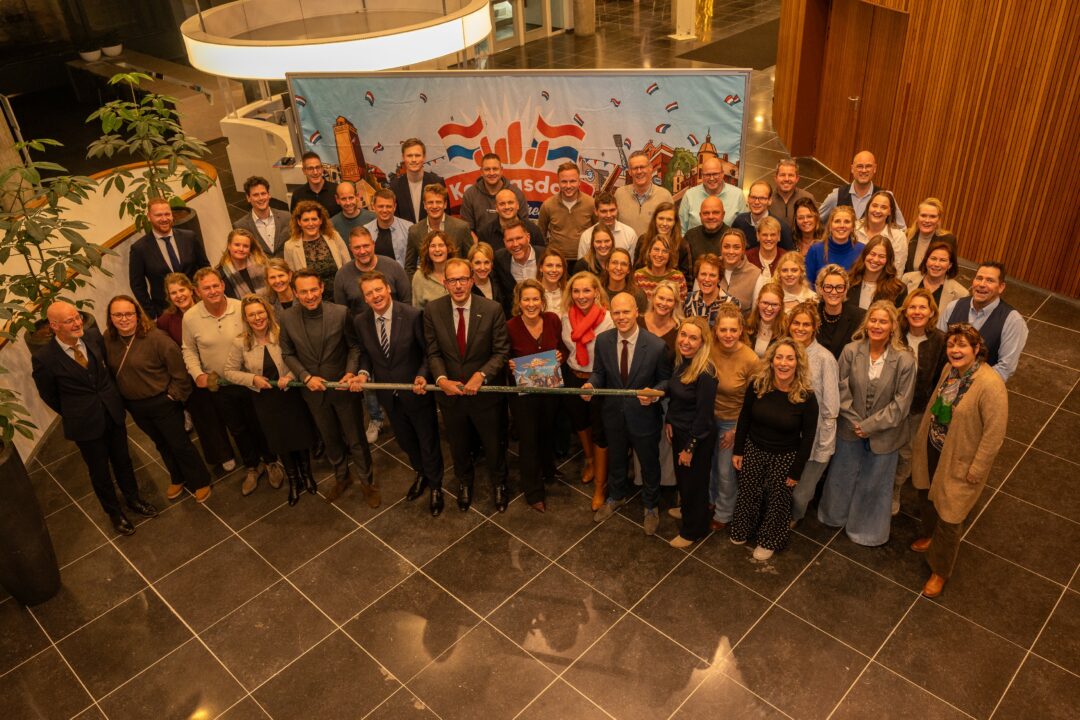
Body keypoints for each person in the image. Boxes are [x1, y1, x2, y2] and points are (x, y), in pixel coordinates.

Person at [32, 301, 158, 535]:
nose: (78, 322)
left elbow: (106, 370)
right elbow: (49, 395)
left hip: (112, 412)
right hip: (85, 424)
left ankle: (133, 499)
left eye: (77, 317)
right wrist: (77, 411)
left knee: (123, 460)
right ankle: (115, 513)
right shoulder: (44, 358)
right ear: (54, 326)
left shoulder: (92, 337)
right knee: (99, 471)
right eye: (70, 320)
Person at [910, 324, 1008, 598]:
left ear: (977, 349)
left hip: (960, 460)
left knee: (951, 516)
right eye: (952, 345)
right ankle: (930, 537)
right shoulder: (949, 371)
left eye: (962, 345)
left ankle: (940, 570)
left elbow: (994, 434)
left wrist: (977, 468)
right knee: (927, 496)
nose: (955, 350)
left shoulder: (990, 385)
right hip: (934, 448)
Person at [818, 301, 916, 546]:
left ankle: (867, 530)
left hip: (886, 435)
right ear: (866, 323)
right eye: (873, 320)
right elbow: (839, 389)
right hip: (850, 430)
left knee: (875, 484)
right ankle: (834, 516)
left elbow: (901, 405)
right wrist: (855, 422)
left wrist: (869, 426)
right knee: (842, 475)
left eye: (883, 321)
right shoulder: (851, 351)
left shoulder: (905, 361)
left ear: (893, 326)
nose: (877, 325)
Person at [279, 270, 378, 507]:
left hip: (343, 389)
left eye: (314, 289)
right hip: (313, 392)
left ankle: (367, 482)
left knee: (356, 439)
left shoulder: (341, 313)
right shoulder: (286, 318)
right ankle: (342, 477)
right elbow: (287, 353)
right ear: (295, 293)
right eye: (303, 291)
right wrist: (305, 377)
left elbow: (354, 347)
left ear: (322, 288)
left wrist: (350, 372)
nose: (310, 295)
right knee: (330, 438)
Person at [350, 271, 445, 515]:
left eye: (378, 290)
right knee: (405, 441)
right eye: (369, 293)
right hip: (388, 396)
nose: (375, 296)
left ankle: (435, 485)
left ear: (388, 289)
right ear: (365, 298)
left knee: (427, 440)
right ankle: (421, 473)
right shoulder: (361, 321)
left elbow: (428, 352)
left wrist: (423, 374)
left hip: (416, 391)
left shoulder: (412, 315)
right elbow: (365, 355)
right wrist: (362, 372)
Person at [423, 258, 511, 512]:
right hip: (451, 396)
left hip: (485, 396)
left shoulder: (492, 309)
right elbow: (433, 352)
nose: (459, 285)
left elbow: (501, 352)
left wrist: (481, 375)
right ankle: (464, 482)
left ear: (472, 280)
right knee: (458, 444)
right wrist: (441, 380)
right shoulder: (433, 310)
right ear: (444, 282)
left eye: (463, 279)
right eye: (453, 280)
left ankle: (499, 483)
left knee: (494, 444)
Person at [103, 295, 210, 503]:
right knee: (160, 443)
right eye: (117, 315)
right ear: (110, 317)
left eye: (128, 314)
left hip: (163, 402)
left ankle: (200, 480)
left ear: (137, 314)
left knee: (179, 444)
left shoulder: (156, 338)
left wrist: (173, 396)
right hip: (136, 406)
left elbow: (179, 371)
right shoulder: (108, 339)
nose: (123, 319)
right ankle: (177, 477)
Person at [183, 268, 278, 495]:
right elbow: (188, 350)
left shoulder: (240, 308)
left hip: (249, 379)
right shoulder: (191, 317)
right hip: (221, 386)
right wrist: (197, 374)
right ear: (197, 291)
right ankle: (252, 467)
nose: (213, 291)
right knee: (237, 428)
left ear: (223, 285)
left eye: (216, 285)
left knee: (258, 423)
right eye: (206, 288)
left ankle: (272, 462)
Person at [586, 292, 673, 535]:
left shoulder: (656, 346)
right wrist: (591, 385)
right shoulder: (603, 340)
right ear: (610, 314)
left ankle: (650, 505)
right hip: (613, 414)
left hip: (644, 418)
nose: (621, 317)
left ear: (637, 312)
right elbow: (599, 372)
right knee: (616, 458)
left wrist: (655, 392)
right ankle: (616, 496)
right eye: (616, 313)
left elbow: (666, 381)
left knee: (648, 463)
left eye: (626, 311)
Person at [729, 338, 819, 559]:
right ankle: (743, 529)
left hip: (785, 455)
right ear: (771, 360)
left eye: (790, 358)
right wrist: (738, 450)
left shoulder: (806, 396)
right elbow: (744, 418)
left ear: (798, 363)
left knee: (778, 499)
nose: (783, 363)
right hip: (754, 447)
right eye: (779, 357)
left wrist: (796, 471)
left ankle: (769, 540)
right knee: (748, 492)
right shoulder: (758, 385)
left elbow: (808, 437)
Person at [224, 295, 318, 506]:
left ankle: (307, 476)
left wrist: (291, 377)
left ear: (267, 312)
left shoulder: (282, 333)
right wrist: (253, 379)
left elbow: (300, 357)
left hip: (291, 396)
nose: (257, 318)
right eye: (252, 315)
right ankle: (294, 482)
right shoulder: (241, 342)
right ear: (246, 319)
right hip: (265, 401)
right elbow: (229, 371)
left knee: (300, 437)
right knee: (280, 441)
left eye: (260, 312)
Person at [157, 273, 236, 472]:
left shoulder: (207, 306)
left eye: (181, 290)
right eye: (173, 293)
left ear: (192, 290)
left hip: (219, 370)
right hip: (194, 377)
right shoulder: (166, 320)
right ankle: (223, 454)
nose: (179, 295)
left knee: (231, 413)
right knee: (206, 419)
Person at [506, 279, 568, 511]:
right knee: (529, 440)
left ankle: (548, 470)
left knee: (546, 432)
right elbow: (502, 356)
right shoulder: (510, 326)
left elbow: (562, 346)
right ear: (519, 302)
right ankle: (533, 492)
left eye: (535, 299)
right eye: (526, 299)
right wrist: (509, 364)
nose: (531, 304)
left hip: (550, 391)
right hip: (524, 396)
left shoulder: (552, 320)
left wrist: (560, 355)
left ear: (542, 302)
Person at [560, 271, 614, 508]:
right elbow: (563, 348)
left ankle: (600, 486)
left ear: (596, 292)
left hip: (599, 380)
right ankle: (590, 461)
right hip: (573, 376)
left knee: (601, 432)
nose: (581, 296)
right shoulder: (564, 318)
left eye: (586, 290)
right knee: (580, 423)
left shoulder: (608, 319)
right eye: (576, 291)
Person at [892, 289, 947, 515]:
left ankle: (894, 490)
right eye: (912, 307)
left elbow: (940, 378)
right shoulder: (895, 335)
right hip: (891, 405)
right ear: (905, 311)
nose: (917, 312)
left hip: (917, 409)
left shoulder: (940, 340)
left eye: (922, 307)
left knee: (906, 453)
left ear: (931, 311)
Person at [665, 317, 719, 547]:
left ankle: (692, 530)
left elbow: (703, 416)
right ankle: (687, 509)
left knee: (694, 484)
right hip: (679, 429)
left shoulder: (706, 373)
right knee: (684, 480)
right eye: (683, 335)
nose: (685, 341)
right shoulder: (682, 361)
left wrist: (689, 448)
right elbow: (676, 398)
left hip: (696, 436)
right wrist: (669, 420)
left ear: (702, 342)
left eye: (693, 337)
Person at [784, 303, 839, 526]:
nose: (800, 328)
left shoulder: (825, 359)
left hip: (815, 437)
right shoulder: (783, 352)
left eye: (806, 324)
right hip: (786, 434)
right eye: (796, 323)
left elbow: (831, 407)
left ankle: (793, 516)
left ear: (815, 327)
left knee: (801, 492)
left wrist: (824, 444)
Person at [708, 303, 761, 531]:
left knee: (725, 471)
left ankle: (724, 513)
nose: (728, 335)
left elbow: (753, 402)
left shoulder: (750, 359)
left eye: (733, 330)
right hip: (709, 419)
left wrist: (736, 430)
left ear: (741, 330)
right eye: (723, 330)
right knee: (709, 466)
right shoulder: (709, 349)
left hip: (732, 422)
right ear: (716, 330)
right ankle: (710, 501)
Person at [937, 262, 1028, 383]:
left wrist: (970, 386)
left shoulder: (1013, 320)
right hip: (945, 381)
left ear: (1001, 287)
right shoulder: (954, 306)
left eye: (990, 280)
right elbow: (937, 347)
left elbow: (1005, 368)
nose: (982, 284)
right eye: (979, 278)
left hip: (979, 388)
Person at [129, 197, 209, 318]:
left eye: (167, 214)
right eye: (159, 215)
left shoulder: (189, 237)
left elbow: (205, 268)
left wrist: (205, 295)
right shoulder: (139, 249)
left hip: (197, 303)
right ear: (149, 217)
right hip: (165, 312)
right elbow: (137, 285)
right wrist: (153, 314)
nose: (164, 219)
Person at [334, 226, 412, 315]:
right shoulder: (342, 275)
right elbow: (342, 314)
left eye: (366, 246)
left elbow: (407, 302)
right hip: (359, 328)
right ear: (351, 248)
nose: (362, 251)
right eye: (357, 247)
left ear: (373, 244)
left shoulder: (393, 267)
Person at [818, 150, 906, 227]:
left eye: (868, 166)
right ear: (852, 169)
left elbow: (902, 228)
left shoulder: (886, 197)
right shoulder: (836, 196)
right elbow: (816, 221)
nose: (864, 170)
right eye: (860, 166)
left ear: (874, 169)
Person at [283, 200, 350, 300]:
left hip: (341, 296)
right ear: (299, 222)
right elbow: (293, 280)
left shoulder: (334, 236)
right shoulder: (290, 246)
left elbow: (347, 266)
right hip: (311, 300)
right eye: (306, 220)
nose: (311, 223)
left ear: (321, 220)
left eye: (314, 219)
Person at [404, 184, 471, 276]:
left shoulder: (461, 228)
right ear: (424, 205)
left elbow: (470, 261)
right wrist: (417, 287)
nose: (434, 206)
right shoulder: (414, 231)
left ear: (445, 204)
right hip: (427, 287)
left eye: (438, 202)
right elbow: (409, 267)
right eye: (430, 202)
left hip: (457, 285)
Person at [538, 162, 595, 261]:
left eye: (572, 181)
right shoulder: (548, 205)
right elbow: (540, 234)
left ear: (579, 182)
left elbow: (598, 230)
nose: (568, 186)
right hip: (557, 260)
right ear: (558, 182)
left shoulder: (591, 204)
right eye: (564, 181)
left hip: (584, 258)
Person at [460, 152, 529, 231]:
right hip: (480, 242)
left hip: (511, 242)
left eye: (495, 169)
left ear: (501, 170)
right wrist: (479, 244)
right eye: (487, 169)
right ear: (481, 172)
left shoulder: (516, 194)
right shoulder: (470, 195)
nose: (491, 173)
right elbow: (467, 229)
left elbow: (524, 225)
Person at [615, 150, 674, 237]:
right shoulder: (619, 194)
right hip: (624, 250)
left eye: (642, 167)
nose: (639, 171)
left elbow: (672, 229)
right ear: (630, 172)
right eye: (635, 168)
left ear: (650, 168)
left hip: (654, 250)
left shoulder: (664, 196)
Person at [678, 156, 747, 229]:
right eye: (707, 174)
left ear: (722, 174)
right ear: (702, 175)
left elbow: (744, 228)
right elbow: (681, 229)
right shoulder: (689, 195)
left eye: (715, 174)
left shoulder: (737, 195)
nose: (711, 178)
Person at [388, 138, 445, 224]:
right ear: (403, 158)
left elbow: (445, 217)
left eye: (417, 155)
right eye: (409, 156)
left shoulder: (437, 182)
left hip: (433, 236)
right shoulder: (394, 186)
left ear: (424, 157)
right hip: (405, 236)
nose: (414, 160)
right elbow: (394, 220)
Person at [805, 206, 864, 289]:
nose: (842, 225)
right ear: (830, 226)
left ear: (853, 227)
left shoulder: (862, 250)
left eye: (847, 222)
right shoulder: (815, 250)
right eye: (837, 221)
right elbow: (808, 283)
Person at [815, 264, 865, 359]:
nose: (834, 292)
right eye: (828, 287)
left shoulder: (860, 317)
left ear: (845, 290)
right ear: (820, 289)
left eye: (839, 287)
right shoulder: (811, 314)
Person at [492, 219, 544, 311]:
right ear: (504, 242)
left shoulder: (545, 255)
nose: (515, 244)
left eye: (519, 238)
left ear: (528, 237)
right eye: (510, 240)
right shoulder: (499, 258)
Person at [901, 241, 968, 310]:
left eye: (943, 260)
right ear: (926, 261)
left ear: (950, 265)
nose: (936, 264)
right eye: (933, 258)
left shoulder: (961, 294)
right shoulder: (907, 278)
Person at [234, 175, 290, 257]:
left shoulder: (287, 217)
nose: (261, 198)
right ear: (248, 198)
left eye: (263, 193)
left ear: (269, 195)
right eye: (255, 195)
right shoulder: (241, 226)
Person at [845, 236, 908, 310]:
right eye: (872, 254)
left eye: (881, 256)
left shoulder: (898, 290)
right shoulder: (848, 282)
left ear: (888, 260)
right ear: (865, 255)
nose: (875, 259)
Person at [855, 191, 908, 275]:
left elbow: (897, 271)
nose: (878, 210)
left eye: (883, 207)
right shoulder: (854, 229)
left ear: (890, 211)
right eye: (874, 206)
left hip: (883, 286)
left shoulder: (898, 237)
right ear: (868, 207)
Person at [733, 180, 794, 250]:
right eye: (753, 197)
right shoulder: (740, 221)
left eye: (762, 198)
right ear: (748, 198)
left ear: (770, 201)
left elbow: (789, 257)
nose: (756, 202)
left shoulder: (781, 227)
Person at [477, 188, 545, 250]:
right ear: (496, 208)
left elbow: (541, 257)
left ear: (517, 205)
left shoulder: (533, 230)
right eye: (502, 204)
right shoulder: (485, 233)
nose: (507, 207)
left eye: (510, 202)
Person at [577, 191, 638, 260]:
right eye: (604, 211)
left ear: (617, 209)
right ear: (596, 212)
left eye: (612, 210)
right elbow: (582, 266)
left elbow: (631, 264)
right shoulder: (587, 236)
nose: (609, 215)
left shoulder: (630, 234)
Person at [904, 198, 957, 274]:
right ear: (917, 217)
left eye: (932, 216)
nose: (927, 220)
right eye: (923, 215)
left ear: (939, 219)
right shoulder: (906, 235)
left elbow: (952, 270)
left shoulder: (948, 240)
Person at [718, 228, 766, 312]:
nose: (731, 251)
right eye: (726, 247)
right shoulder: (710, 267)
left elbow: (756, 313)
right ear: (721, 249)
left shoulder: (755, 275)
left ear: (743, 250)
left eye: (736, 247)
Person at [363, 188, 413, 268]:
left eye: (389, 206)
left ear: (395, 207)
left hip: (402, 277)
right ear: (373, 206)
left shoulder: (409, 228)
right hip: (374, 278)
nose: (384, 210)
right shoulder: (366, 231)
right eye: (380, 206)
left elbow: (417, 260)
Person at [683, 253, 736, 326]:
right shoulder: (688, 300)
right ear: (697, 276)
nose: (707, 279)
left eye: (712, 275)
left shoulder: (731, 303)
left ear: (719, 279)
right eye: (703, 274)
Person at [217, 228, 269, 300]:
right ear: (229, 246)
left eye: (245, 246)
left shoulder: (262, 265)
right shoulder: (221, 274)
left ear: (250, 248)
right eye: (237, 245)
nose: (241, 249)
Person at [633, 235, 687, 301]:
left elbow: (681, 307)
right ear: (649, 252)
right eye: (656, 249)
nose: (659, 254)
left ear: (670, 255)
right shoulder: (638, 276)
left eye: (665, 251)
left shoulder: (678, 278)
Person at [412, 230, 454, 309]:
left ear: (448, 249)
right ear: (427, 250)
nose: (437, 249)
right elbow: (417, 310)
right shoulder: (419, 276)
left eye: (441, 245)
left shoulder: (458, 271)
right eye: (433, 246)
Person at [683, 196, 730, 266]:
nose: (710, 217)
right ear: (700, 215)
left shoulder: (732, 236)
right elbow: (684, 269)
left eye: (715, 212)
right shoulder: (690, 236)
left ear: (723, 215)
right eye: (706, 213)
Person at [290, 151, 339, 215]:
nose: (315, 172)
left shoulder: (336, 190)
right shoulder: (297, 195)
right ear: (304, 171)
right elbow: (295, 221)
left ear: (322, 169)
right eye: (310, 168)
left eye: (317, 167)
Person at [769, 158, 813, 228]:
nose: (786, 179)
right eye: (782, 175)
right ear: (775, 178)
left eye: (791, 175)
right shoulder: (767, 198)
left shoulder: (808, 198)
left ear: (797, 179)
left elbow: (815, 225)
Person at [602, 248, 648, 313]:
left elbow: (642, 322)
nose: (618, 268)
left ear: (628, 269)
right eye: (614, 263)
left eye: (623, 264)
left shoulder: (638, 295)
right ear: (607, 266)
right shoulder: (598, 291)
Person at [746, 282, 786, 358]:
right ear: (758, 302)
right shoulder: (747, 323)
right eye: (765, 303)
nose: (769, 308)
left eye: (774, 304)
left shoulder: (787, 330)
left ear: (781, 306)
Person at [468, 241, 503, 306]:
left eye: (486, 262)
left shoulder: (498, 281)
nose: (482, 268)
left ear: (491, 264)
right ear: (471, 264)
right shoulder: (467, 287)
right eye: (477, 263)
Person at [537, 247, 568, 315]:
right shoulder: (531, 291)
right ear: (541, 268)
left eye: (558, 266)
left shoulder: (569, 292)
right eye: (549, 265)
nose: (554, 270)